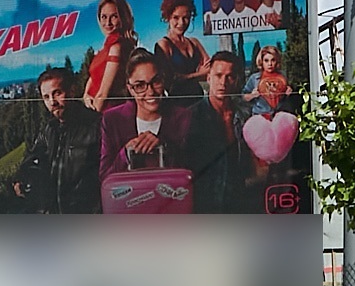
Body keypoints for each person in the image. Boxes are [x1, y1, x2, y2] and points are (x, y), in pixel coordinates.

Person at [13, 66, 101, 213]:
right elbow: (32, 158)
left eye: (57, 93)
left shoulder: (96, 126)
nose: (52, 102)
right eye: (46, 97)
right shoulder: (49, 129)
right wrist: (21, 178)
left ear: (72, 91)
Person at [183, 51, 263, 213]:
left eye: (230, 76)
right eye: (218, 75)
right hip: (205, 203)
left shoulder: (246, 114)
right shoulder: (191, 116)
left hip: (240, 200)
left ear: (237, 80)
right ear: (208, 78)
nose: (223, 82)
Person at [98, 52, 193, 180]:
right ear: (130, 89)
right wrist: (125, 153)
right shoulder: (112, 119)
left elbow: (193, 172)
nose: (150, 92)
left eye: (156, 82)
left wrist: (166, 148)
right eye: (140, 86)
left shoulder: (183, 117)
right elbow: (105, 178)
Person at [81, 0, 137, 113]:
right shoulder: (107, 47)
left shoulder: (117, 47)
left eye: (114, 17)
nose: (108, 23)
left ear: (123, 17)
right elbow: (93, 77)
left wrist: (93, 115)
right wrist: (86, 95)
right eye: (104, 17)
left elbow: (104, 93)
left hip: (108, 111)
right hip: (96, 105)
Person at [150, 0, 209, 98]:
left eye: (185, 17)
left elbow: (211, 70)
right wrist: (199, 74)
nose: (181, 23)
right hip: (177, 105)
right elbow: (168, 80)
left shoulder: (194, 42)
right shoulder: (163, 45)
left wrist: (185, 77)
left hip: (199, 100)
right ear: (167, 17)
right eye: (176, 18)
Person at [243, 44, 289, 119]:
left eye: (273, 60)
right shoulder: (255, 78)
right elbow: (243, 97)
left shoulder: (282, 77)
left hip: (279, 117)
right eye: (266, 60)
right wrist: (252, 95)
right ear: (261, 61)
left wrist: (288, 94)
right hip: (260, 117)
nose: (270, 64)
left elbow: (286, 100)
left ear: (277, 61)